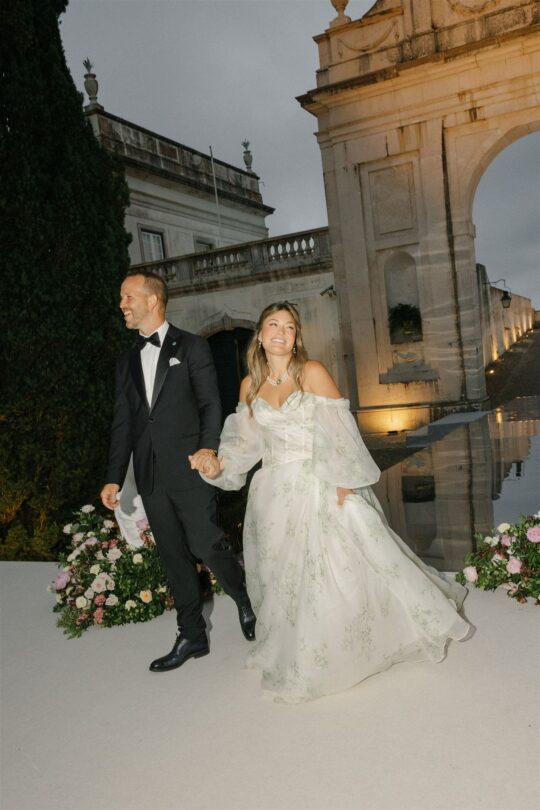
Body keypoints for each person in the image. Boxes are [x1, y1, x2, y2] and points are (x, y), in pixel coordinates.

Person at [190, 302, 470, 703]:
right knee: (285, 575)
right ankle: (293, 644)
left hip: (319, 481)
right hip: (272, 496)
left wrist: (344, 482)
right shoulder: (249, 385)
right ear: (260, 335)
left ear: (296, 337)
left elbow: (341, 431)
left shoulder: (312, 372)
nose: (281, 332)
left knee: (333, 568)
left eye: (289, 326)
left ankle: (335, 650)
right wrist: (215, 465)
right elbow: (243, 446)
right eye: (273, 325)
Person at [100, 270, 256, 673]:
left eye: (128, 297)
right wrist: (114, 475)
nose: (122, 305)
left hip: (189, 467)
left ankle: (245, 597)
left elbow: (210, 403)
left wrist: (207, 447)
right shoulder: (126, 360)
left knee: (206, 544)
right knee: (172, 554)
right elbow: (123, 421)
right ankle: (191, 634)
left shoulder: (192, 347)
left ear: (153, 300)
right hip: (149, 473)